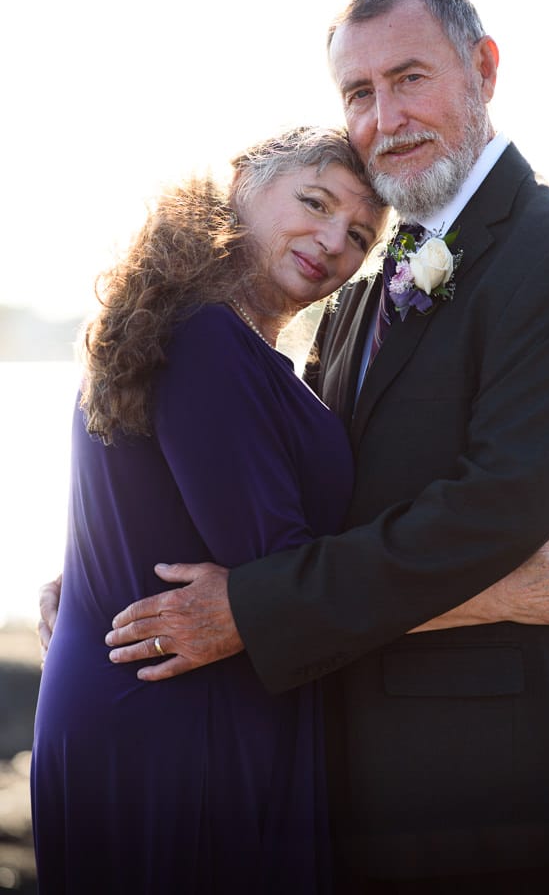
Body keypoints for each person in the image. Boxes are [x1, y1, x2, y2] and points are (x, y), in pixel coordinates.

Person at [91, 0, 549, 895]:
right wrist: (114, 563)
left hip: (492, 795)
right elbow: (291, 491)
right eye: (359, 93)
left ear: (484, 69)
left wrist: (247, 612)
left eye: (411, 76)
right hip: (341, 777)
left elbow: (492, 511)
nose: (387, 115)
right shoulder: (366, 287)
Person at [31, 125, 392, 894]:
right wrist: (495, 595)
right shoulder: (209, 340)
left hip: (135, 711)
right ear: (244, 186)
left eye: (360, 234)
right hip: (177, 733)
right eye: (316, 202)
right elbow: (285, 582)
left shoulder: (190, 327)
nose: (333, 241)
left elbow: (141, 505)